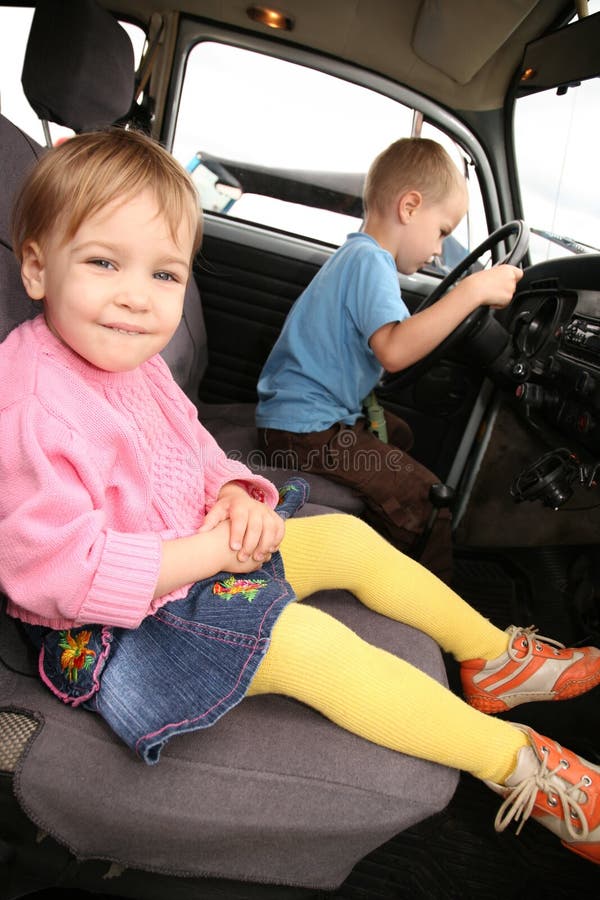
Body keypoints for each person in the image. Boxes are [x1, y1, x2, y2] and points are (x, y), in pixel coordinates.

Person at [0, 129, 599, 865]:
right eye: (102, 263)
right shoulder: (29, 403)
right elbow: (58, 575)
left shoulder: (129, 359)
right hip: (109, 625)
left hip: (180, 553)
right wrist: (211, 551)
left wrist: (234, 491)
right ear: (35, 268)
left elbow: (187, 444)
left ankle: (494, 658)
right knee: (308, 643)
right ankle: (522, 767)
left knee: (348, 542)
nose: (135, 298)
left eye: (165, 276)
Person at [255, 138, 524, 584]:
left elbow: (399, 340)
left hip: (299, 423)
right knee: (428, 497)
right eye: (442, 230)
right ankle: (436, 608)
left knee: (400, 433)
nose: (440, 250)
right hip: (303, 433)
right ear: (410, 206)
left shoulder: (359, 256)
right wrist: (471, 291)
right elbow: (396, 351)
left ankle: (382, 527)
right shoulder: (371, 263)